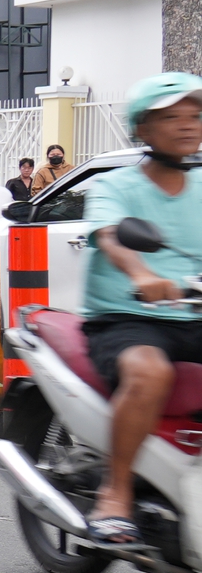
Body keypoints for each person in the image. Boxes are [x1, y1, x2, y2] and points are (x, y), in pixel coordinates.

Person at [78, 74, 202, 547]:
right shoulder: (115, 185)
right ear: (143, 129)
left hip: (194, 315)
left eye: (195, 116)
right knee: (149, 373)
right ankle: (116, 491)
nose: (187, 126)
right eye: (171, 117)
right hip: (129, 316)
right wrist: (142, 275)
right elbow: (111, 236)